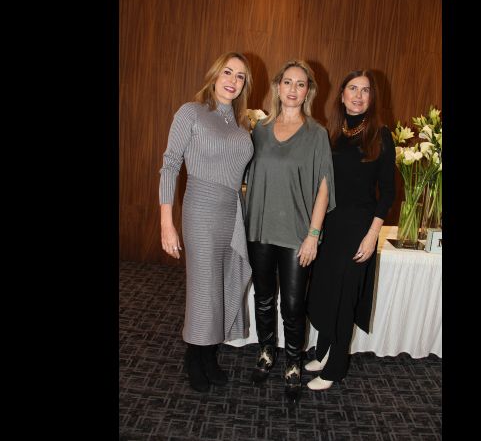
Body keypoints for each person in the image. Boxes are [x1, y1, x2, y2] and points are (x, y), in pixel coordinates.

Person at [159, 51, 255, 393]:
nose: (233, 80)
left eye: (240, 76)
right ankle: (195, 356)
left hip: (233, 211)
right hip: (200, 208)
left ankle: (210, 353)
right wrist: (166, 223)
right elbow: (170, 165)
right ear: (215, 74)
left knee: (225, 282)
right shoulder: (191, 112)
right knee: (204, 288)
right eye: (228, 72)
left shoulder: (242, 124)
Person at [244, 60, 335, 403]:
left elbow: (324, 188)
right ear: (277, 87)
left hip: (297, 233)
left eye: (300, 84)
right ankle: (267, 352)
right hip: (260, 229)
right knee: (264, 298)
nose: (293, 89)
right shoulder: (260, 129)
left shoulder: (317, 133)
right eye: (287, 82)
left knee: (294, 305)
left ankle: (294, 363)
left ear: (308, 91)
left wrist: (314, 234)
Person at [305, 70, 396, 390]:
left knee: (344, 298)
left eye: (365, 90)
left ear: (372, 98)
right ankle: (323, 352)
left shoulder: (380, 135)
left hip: (359, 227)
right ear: (342, 95)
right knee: (326, 290)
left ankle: (335, 369)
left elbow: (387, 192)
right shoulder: (331, 133)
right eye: (353, 89)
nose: (358, 95)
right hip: (330, 224)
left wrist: (372, 235)